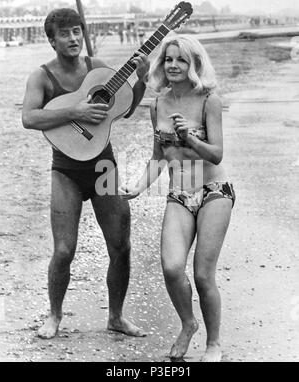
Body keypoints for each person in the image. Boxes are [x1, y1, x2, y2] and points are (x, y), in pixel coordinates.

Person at [21, 8, 150, 339]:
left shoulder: (98, 70)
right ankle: (54, 315)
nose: (73, 38)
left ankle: (117, 317)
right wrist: (73, 111)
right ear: (52, 40)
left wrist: (142, 81)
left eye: (77, 31)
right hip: (65, 169)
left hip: (102, 164)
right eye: (64, 34)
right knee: (64, 249)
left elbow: (124, 110)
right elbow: (30, 118)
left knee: (121, 245)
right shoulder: (41, 76)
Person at [120, 34, 235, 362]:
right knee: (171, 268)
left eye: (181, 60)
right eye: (168, 59)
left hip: (215, 192)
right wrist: (139, 186)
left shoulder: (208, 100)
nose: (173, 65)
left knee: (202, 274)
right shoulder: (158, 104)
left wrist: (191, 139)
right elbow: (158, 156)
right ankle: (188, 324)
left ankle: (214, 344)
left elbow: (216, 154)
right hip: (179, 194)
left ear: (194, 65)